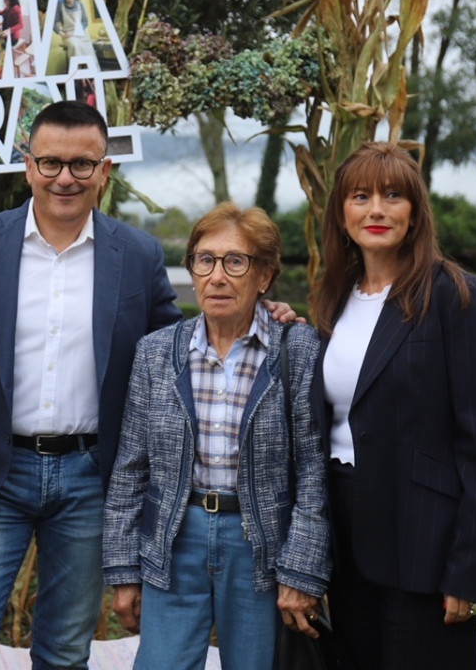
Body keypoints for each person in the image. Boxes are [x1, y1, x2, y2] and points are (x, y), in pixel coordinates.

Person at [0, 101, 296, 669]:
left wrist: (260, 309)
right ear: (28, 165)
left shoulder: (134, 253)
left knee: (64, 649)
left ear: (105, 171)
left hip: (89, 479)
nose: (65, 178)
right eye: (51, 162)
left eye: (82, 165)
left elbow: (183, 340)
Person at [103, 203, 330, 669]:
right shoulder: (157, 353)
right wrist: (124, 570)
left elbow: (313, 472)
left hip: (259, 548)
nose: (217, 276)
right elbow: (130, 469)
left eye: (235, 261)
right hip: (174, 539)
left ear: (264, 275)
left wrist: (302, 569)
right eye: (204, 260)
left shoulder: (297, 349)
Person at [309, 141, 476, 670]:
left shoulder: (460, 297)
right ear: (342, 213)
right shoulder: (334, 296)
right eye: (360, 196)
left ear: (416, 211)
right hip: (346, 543)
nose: (376, 209)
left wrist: (469, 570)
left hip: (427, 546)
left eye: (393, 195)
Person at [52, 0, 96, 69]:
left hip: (82, 35)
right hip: (68, 36)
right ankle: (78, 72)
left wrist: (74, 32)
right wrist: (62, 33)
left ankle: (92, 73)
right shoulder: (60, 6)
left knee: (89, 51)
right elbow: (53, 24)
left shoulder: (80, 5)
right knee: (75, 45)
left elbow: (85, 21)